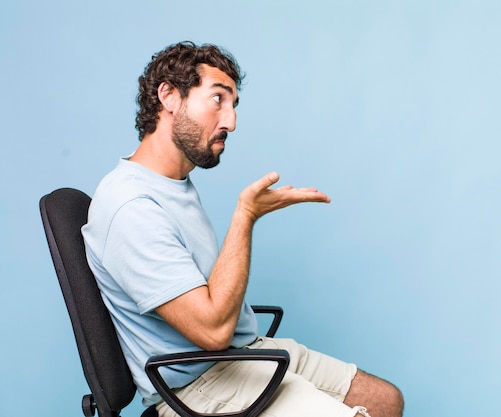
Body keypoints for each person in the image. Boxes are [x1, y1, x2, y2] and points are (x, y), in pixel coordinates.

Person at [82, 41, 404, 417]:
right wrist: (245, 216)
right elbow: (212, 332)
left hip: (242, 355)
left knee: (384, 401)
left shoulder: (172, 184)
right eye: (218, 99)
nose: (230, 121)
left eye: (233, 105)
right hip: (197, 387)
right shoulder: (131, 207)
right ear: (169, 96)